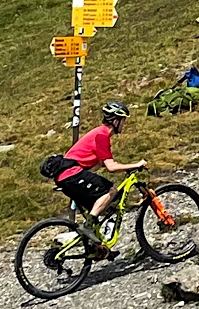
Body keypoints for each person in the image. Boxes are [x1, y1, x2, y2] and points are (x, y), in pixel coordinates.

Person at [54, 100, 145, 251]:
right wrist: (136, 165)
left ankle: (98, 248)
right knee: (112, 191)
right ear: (115, 121)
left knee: (102, 203)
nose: (125, 124)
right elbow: (111, 166)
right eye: (123, 121)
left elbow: (103, 163)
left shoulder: (98, 133)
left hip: (65, 176)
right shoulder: (102, 136)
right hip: (72, 174)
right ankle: (88, 227)